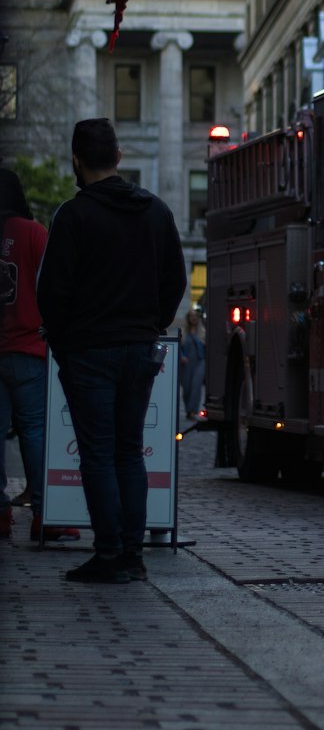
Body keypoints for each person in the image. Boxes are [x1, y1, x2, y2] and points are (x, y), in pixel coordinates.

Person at [37, 119, 186, 583]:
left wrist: (62, 343)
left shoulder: (72, 216)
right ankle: (131, 555)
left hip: (88, 351)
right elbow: (176, 280)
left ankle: (108, 554)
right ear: (119, 158)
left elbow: (53, 292)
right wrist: (153, 324)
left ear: (76, 161)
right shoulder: (156, 212)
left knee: (98, 455)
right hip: (139, 347)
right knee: (128, 453)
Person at [0, 167, 80, 544]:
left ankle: (0, 515)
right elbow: (54, 286)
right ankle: (46, 515)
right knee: (34, 432)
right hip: (29, 349)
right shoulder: (34, 234)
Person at [179, 307, 206, 420]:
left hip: (199, 362)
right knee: (187, 388)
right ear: (188, 318)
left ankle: (193, 411)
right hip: (186, 363)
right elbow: (178, 348)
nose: (193, 318)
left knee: (196, 385)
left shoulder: (203, 332)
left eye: (195, 316)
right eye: (191, 316)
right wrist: (181, 357)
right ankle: (188, 409)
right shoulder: (183, 333)